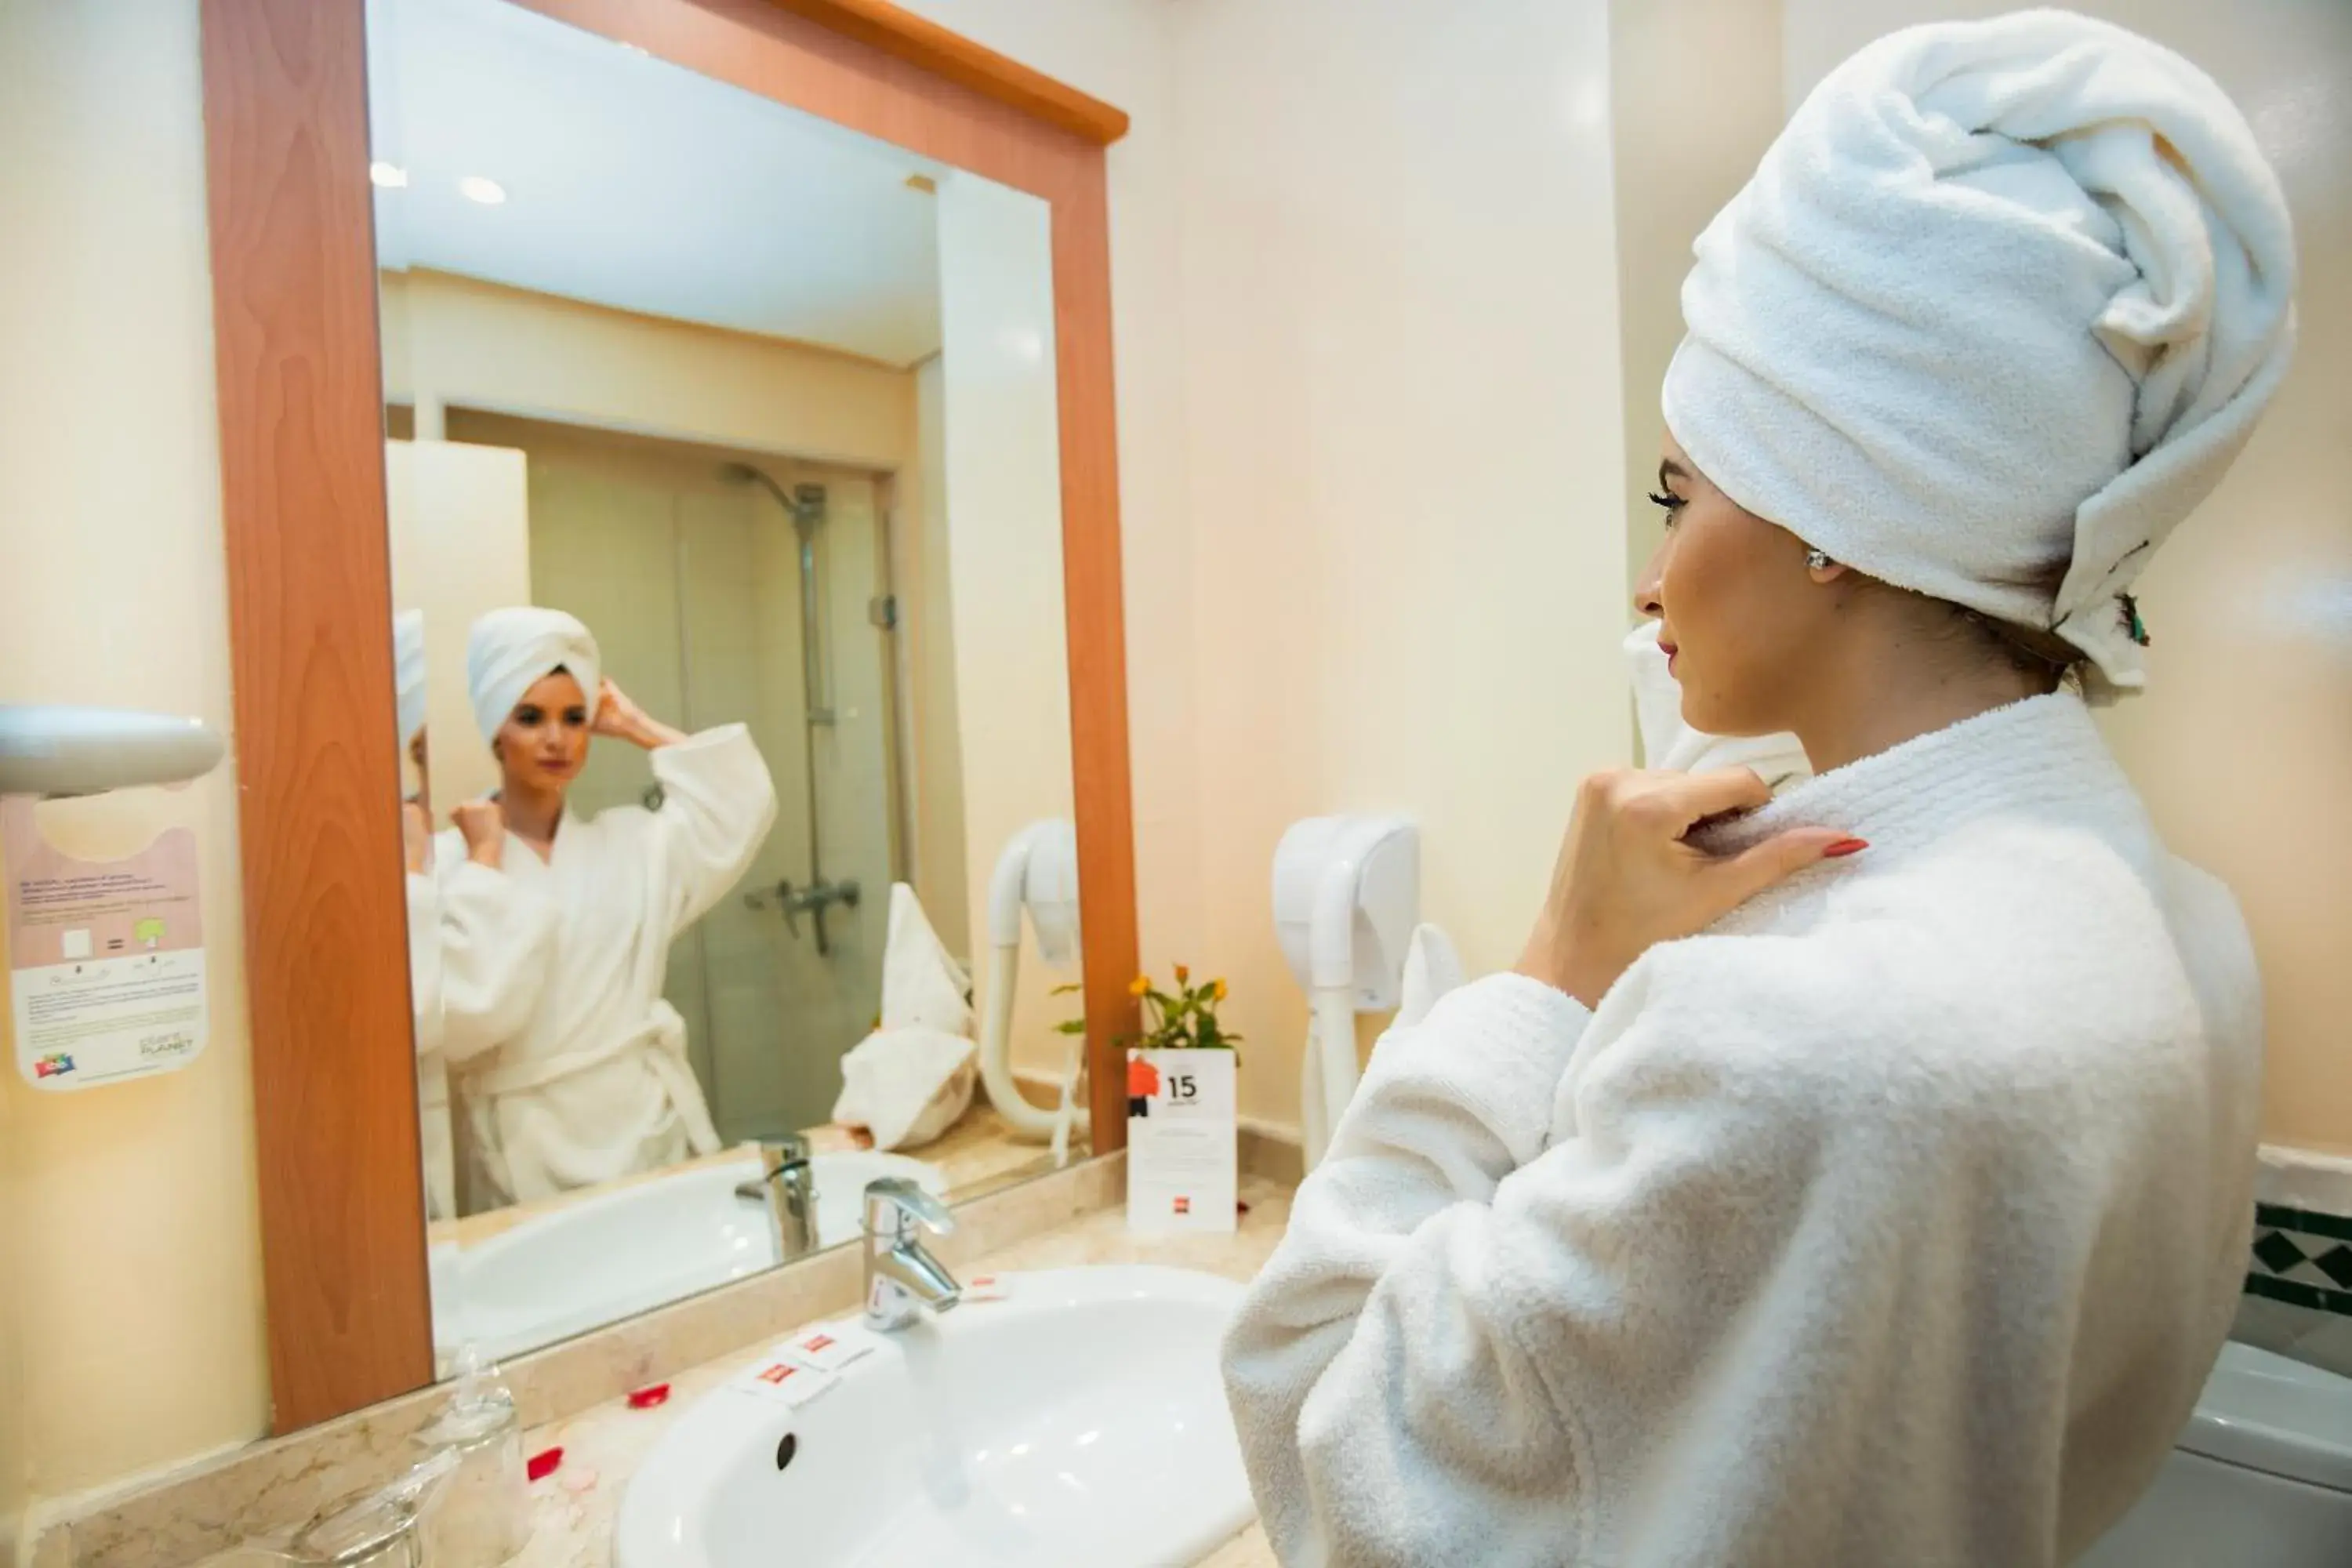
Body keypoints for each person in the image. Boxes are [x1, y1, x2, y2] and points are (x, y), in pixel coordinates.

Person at [1221, 13, 2295, 1566]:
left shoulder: (1796, 1040)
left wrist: (1553, 973)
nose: (1654, 582)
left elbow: (1320, 1427)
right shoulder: (2188, 936)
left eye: (1681, 493)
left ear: (1828, 513)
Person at [440, 606, 778, 1210]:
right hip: (522, 1152)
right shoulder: (452, 865)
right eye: (529, 717)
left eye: (574, 718)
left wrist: (636, 725)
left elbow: (740, 804)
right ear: (495, 729)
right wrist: (485, 859)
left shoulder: (631, 846)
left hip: (643, 1131)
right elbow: (464, 1020)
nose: (556, 739)